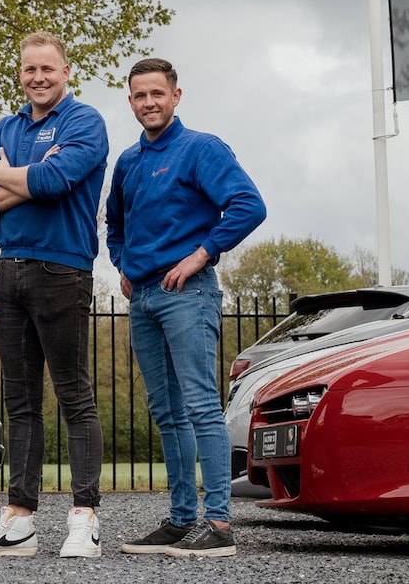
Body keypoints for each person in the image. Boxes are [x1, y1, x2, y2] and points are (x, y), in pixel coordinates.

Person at [106, 58, 265, 559]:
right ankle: (180, 521)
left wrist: (202, 254)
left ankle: (218, 524)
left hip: (188, 295)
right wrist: (123, 264)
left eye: (157, 93)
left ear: (176, 96)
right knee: (167, 414)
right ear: (130, 101)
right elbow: (114, 225)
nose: (148, 102)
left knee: (199, 406)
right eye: (139, 95)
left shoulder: (202, 148)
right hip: (144, 299)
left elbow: (249, 205)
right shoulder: (128, 162)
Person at [0, 31, 108, 559]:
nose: (38, 77)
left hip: (62, 270)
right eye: (29, 69)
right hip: (10, 269)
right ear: (20, 74)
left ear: (66, 71)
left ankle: (85, 518)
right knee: (20, 401)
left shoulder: (85, 121)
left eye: (48, 68)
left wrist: (6, 175)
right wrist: (20, 179)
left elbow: (58, 180)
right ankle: (18, 522)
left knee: (74, 397)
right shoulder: (7, 127)